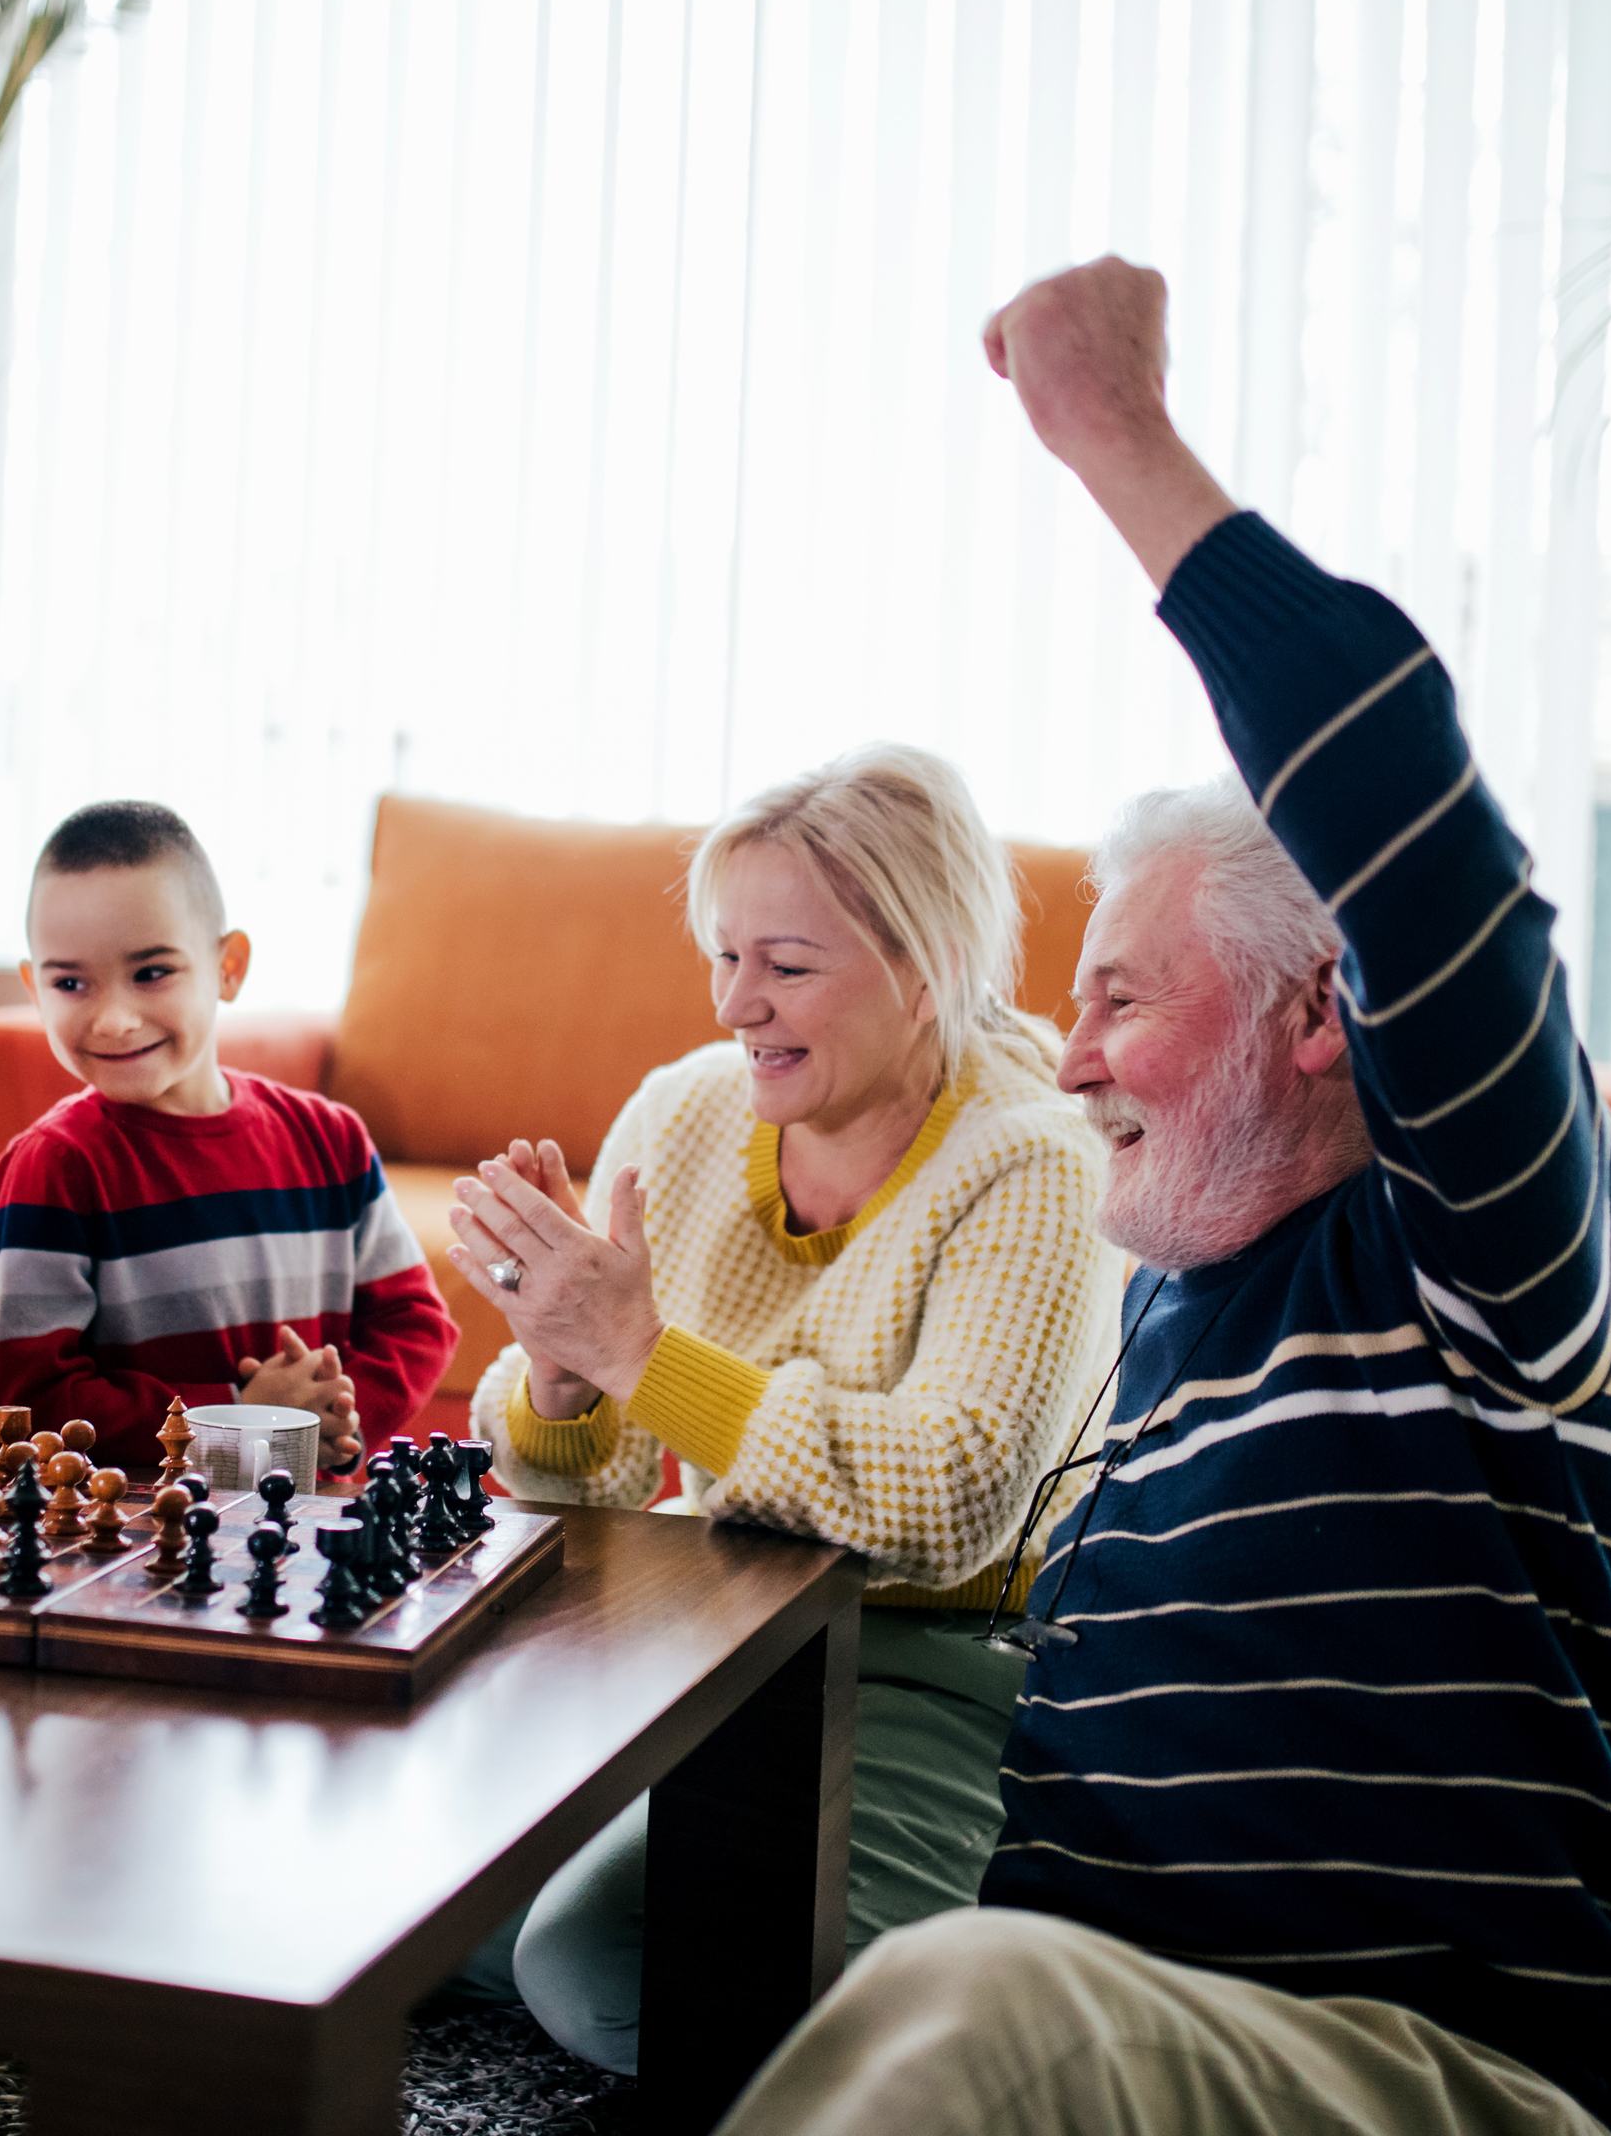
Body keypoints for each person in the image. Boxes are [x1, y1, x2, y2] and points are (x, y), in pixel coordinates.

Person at [711, 265, 1611, 2136]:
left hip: (1458, 2075)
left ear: (1328, 1013)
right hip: (1146, 2041)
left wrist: (1121, 441)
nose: (1066, 1064)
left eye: (1120, 1002)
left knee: (983, 2005)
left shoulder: (1478, 1251)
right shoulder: (1177, 1304)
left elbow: (1412, 815)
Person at [446, 744, 1113, 2076]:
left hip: (937, 1661)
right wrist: (567, 1377)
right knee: (407, 1897)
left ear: (927, 968)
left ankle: (1018, 1962)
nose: (739, 1004)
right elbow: (601, 1477)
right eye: (725, 956)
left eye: (788, 966)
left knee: (604, 1965)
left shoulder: (1037, 1157)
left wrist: (638, 1348)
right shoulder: (687, 1113)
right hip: (711, 1636)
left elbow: (949, 1500)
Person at [0, 800, 455, 1475]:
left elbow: (416, 1323)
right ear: (35, 987)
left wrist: (328, 1425)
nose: (114, 1019)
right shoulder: (53, 1168)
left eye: (151, 973)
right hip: (135, 1553)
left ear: (229, 967)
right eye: (71, 983)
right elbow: (25, 1405)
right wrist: (236, 1416)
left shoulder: (332, 1141)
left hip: (306, 1535)